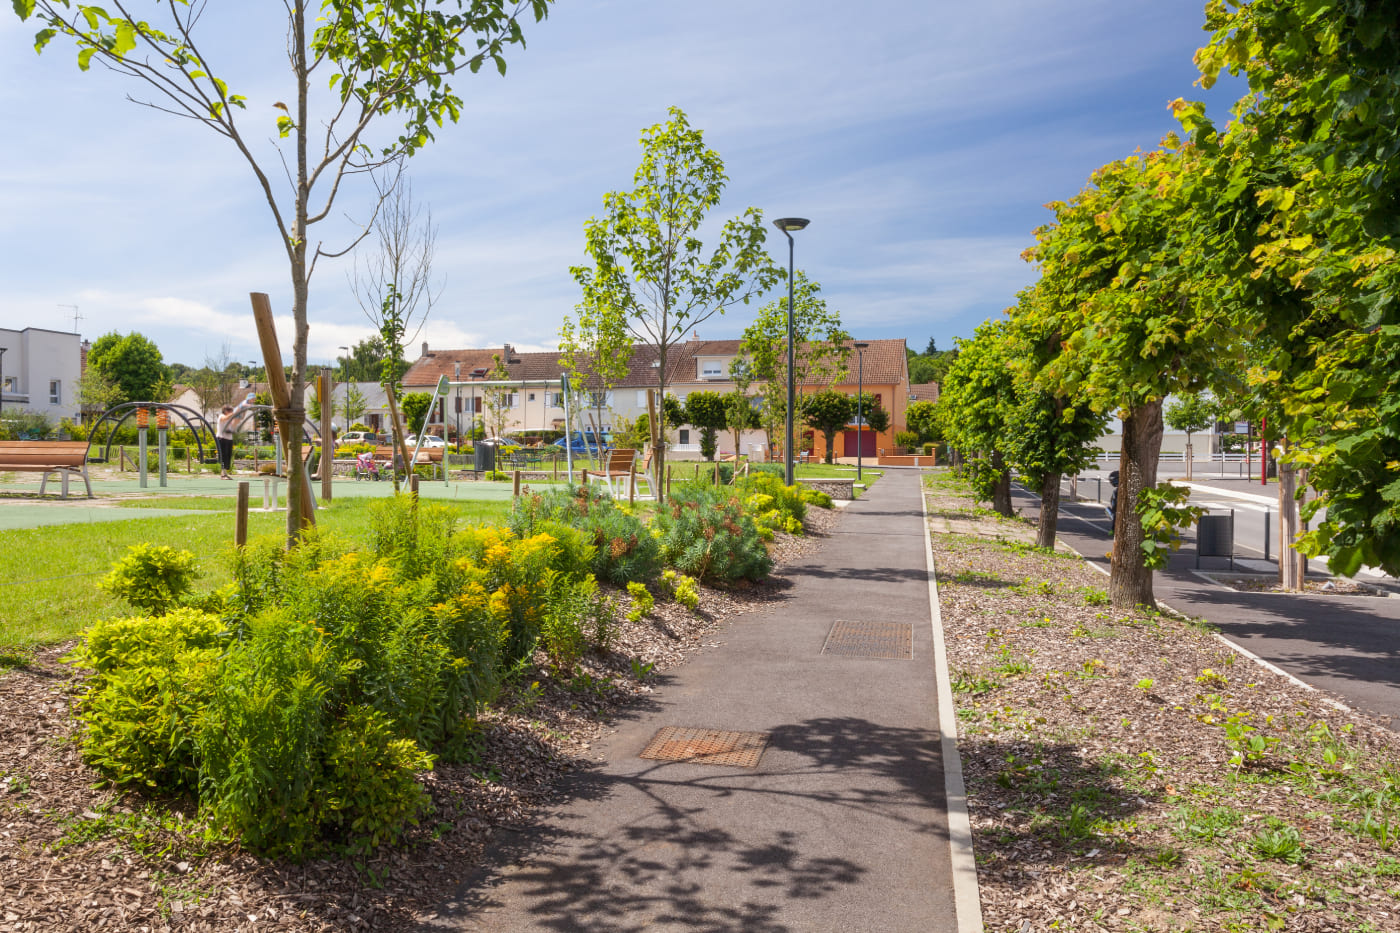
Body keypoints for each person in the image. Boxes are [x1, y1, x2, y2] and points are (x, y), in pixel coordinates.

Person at [215, 393, 256, 480]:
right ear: (226, 411)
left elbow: (239, 418)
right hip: (222, 438)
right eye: (230, 411)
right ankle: (223, 474)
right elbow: (225, 418)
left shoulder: (230, 418)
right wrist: (235, 412)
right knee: (223, 456)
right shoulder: (222, 416)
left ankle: (225, 473)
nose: (231, 412)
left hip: (228, 438)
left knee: (228, 456)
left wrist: (243, 411)